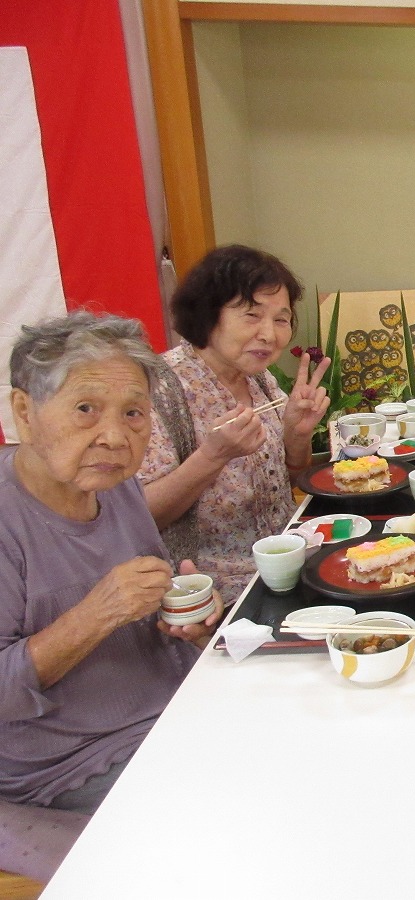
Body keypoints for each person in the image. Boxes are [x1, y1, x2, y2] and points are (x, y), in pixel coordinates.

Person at [0, 312, 221, 822]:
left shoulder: (114, 485)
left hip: (176, 709)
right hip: (75, 761)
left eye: (133, 413)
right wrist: (97, 613)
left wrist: (187, 619)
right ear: (24, 412)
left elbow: (147, 617)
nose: (115, 437)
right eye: (85, 409)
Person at [137, 245, 330, 601]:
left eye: (281, 319)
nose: (269, 335)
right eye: (252, 316)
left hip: (286, 569)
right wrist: (212, 456)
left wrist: (297, 436)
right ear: (209, 314)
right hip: (211, 596)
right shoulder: (157, 390)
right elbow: (139, 518)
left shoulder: (259, 379)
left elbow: (289, 478)